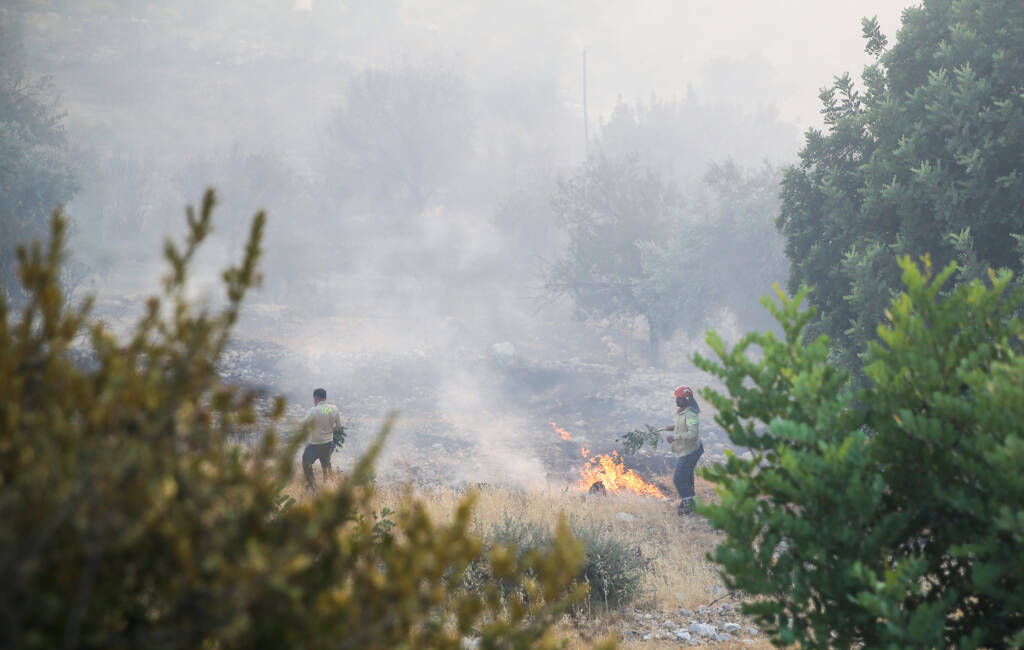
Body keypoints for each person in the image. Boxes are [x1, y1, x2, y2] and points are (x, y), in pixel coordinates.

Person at [664, 385, 703, 515]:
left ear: (687, 399)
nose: (676, 401)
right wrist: (673, 427)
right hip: (687, 450)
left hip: (690, 451)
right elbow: (683, 424)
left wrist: (675, 437)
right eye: (676, 398)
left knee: (679, 479)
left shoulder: (691, 414)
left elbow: (693, 434)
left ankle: (688, 504)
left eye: (679, 398)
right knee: (687, 477)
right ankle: (690, 502)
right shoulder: (682, 411)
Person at [301, 388, 343, 491]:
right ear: (325, 397)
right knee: (326, 464)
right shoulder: (334, 409)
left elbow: (304, 425)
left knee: (306, 463)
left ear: (315, 398)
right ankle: (327, 486)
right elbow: (338, 426)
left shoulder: (313, 410)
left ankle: (313, 487)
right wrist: (329, 429)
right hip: (329, 443)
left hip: (315, 444)